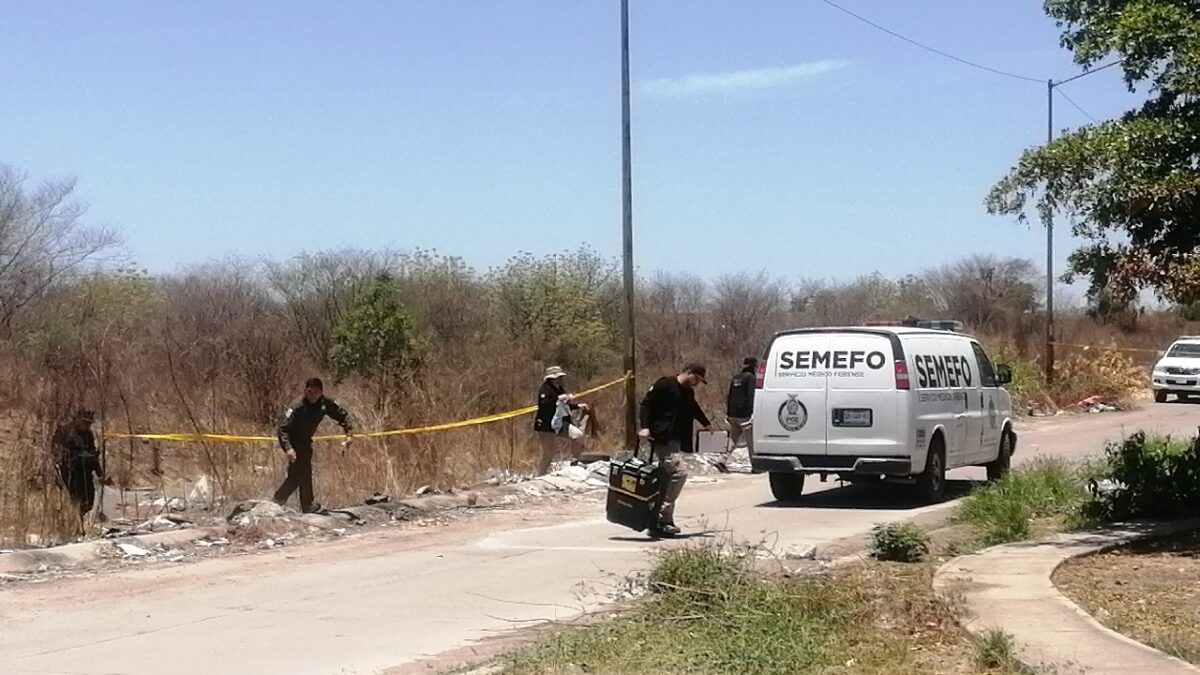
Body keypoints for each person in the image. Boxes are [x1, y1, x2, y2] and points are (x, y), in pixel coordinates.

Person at [638, 363, 711, 538]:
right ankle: (663, 516)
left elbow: (693, 408)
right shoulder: (665, 384)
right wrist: (645, 427)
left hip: (675, 439)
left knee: (666, 478)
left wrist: (706, 423)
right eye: (697, 379)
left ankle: (659, 520)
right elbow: (646, 404)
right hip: (661, 438)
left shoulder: (687, 392)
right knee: (679, 472)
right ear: (689, 373)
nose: (697, 384)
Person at [274, 378, 354, 513]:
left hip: (305, 442)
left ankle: (288, 502)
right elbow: (282, 429)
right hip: (293, 442)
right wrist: (288, 448)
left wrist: (349, 435)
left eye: (316, 392)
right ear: (305, 391)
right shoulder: (296, 406)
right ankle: (288, 501)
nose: (313, 395)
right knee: (300, 474)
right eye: (310, 391)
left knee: (301, 475)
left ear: (321, 392)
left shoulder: (324, 403)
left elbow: (342, 416)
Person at [52, 409, 105, 524]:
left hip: (85, 472)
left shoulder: (88, 434)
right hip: (70, 472)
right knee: (74, 500)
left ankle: (81, 520)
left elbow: (93, 453)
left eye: (89, 423)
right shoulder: (64, 432)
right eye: (85, 423)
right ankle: (73, 524)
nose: (87, 426)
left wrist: (99, 471)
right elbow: (57, 452)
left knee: (89, 500)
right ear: (78, 420)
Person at [533, 366, 587, 475]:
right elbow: (545, 406)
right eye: (558, 377)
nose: (561, 379)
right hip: (546, 425)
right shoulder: (544, 390)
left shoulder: (560, 389)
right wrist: (558, 399)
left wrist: (577, 406)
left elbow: (563, 407)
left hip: (561, 423)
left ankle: (576, 462)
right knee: (549, 453)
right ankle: (539, 475)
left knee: (578, 436)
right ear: (552, 378)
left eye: (561, 377)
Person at [725, 356, 757, 451]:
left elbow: (729, 395)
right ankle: (754, 462)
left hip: (732, 414)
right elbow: (751, 395)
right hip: (744, 415)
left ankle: (723, 459)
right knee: (752, 441)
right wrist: (752, 412)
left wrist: (728, 412)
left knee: (733, 439)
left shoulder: (736, 378)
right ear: (753, 366)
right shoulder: (751, 378)